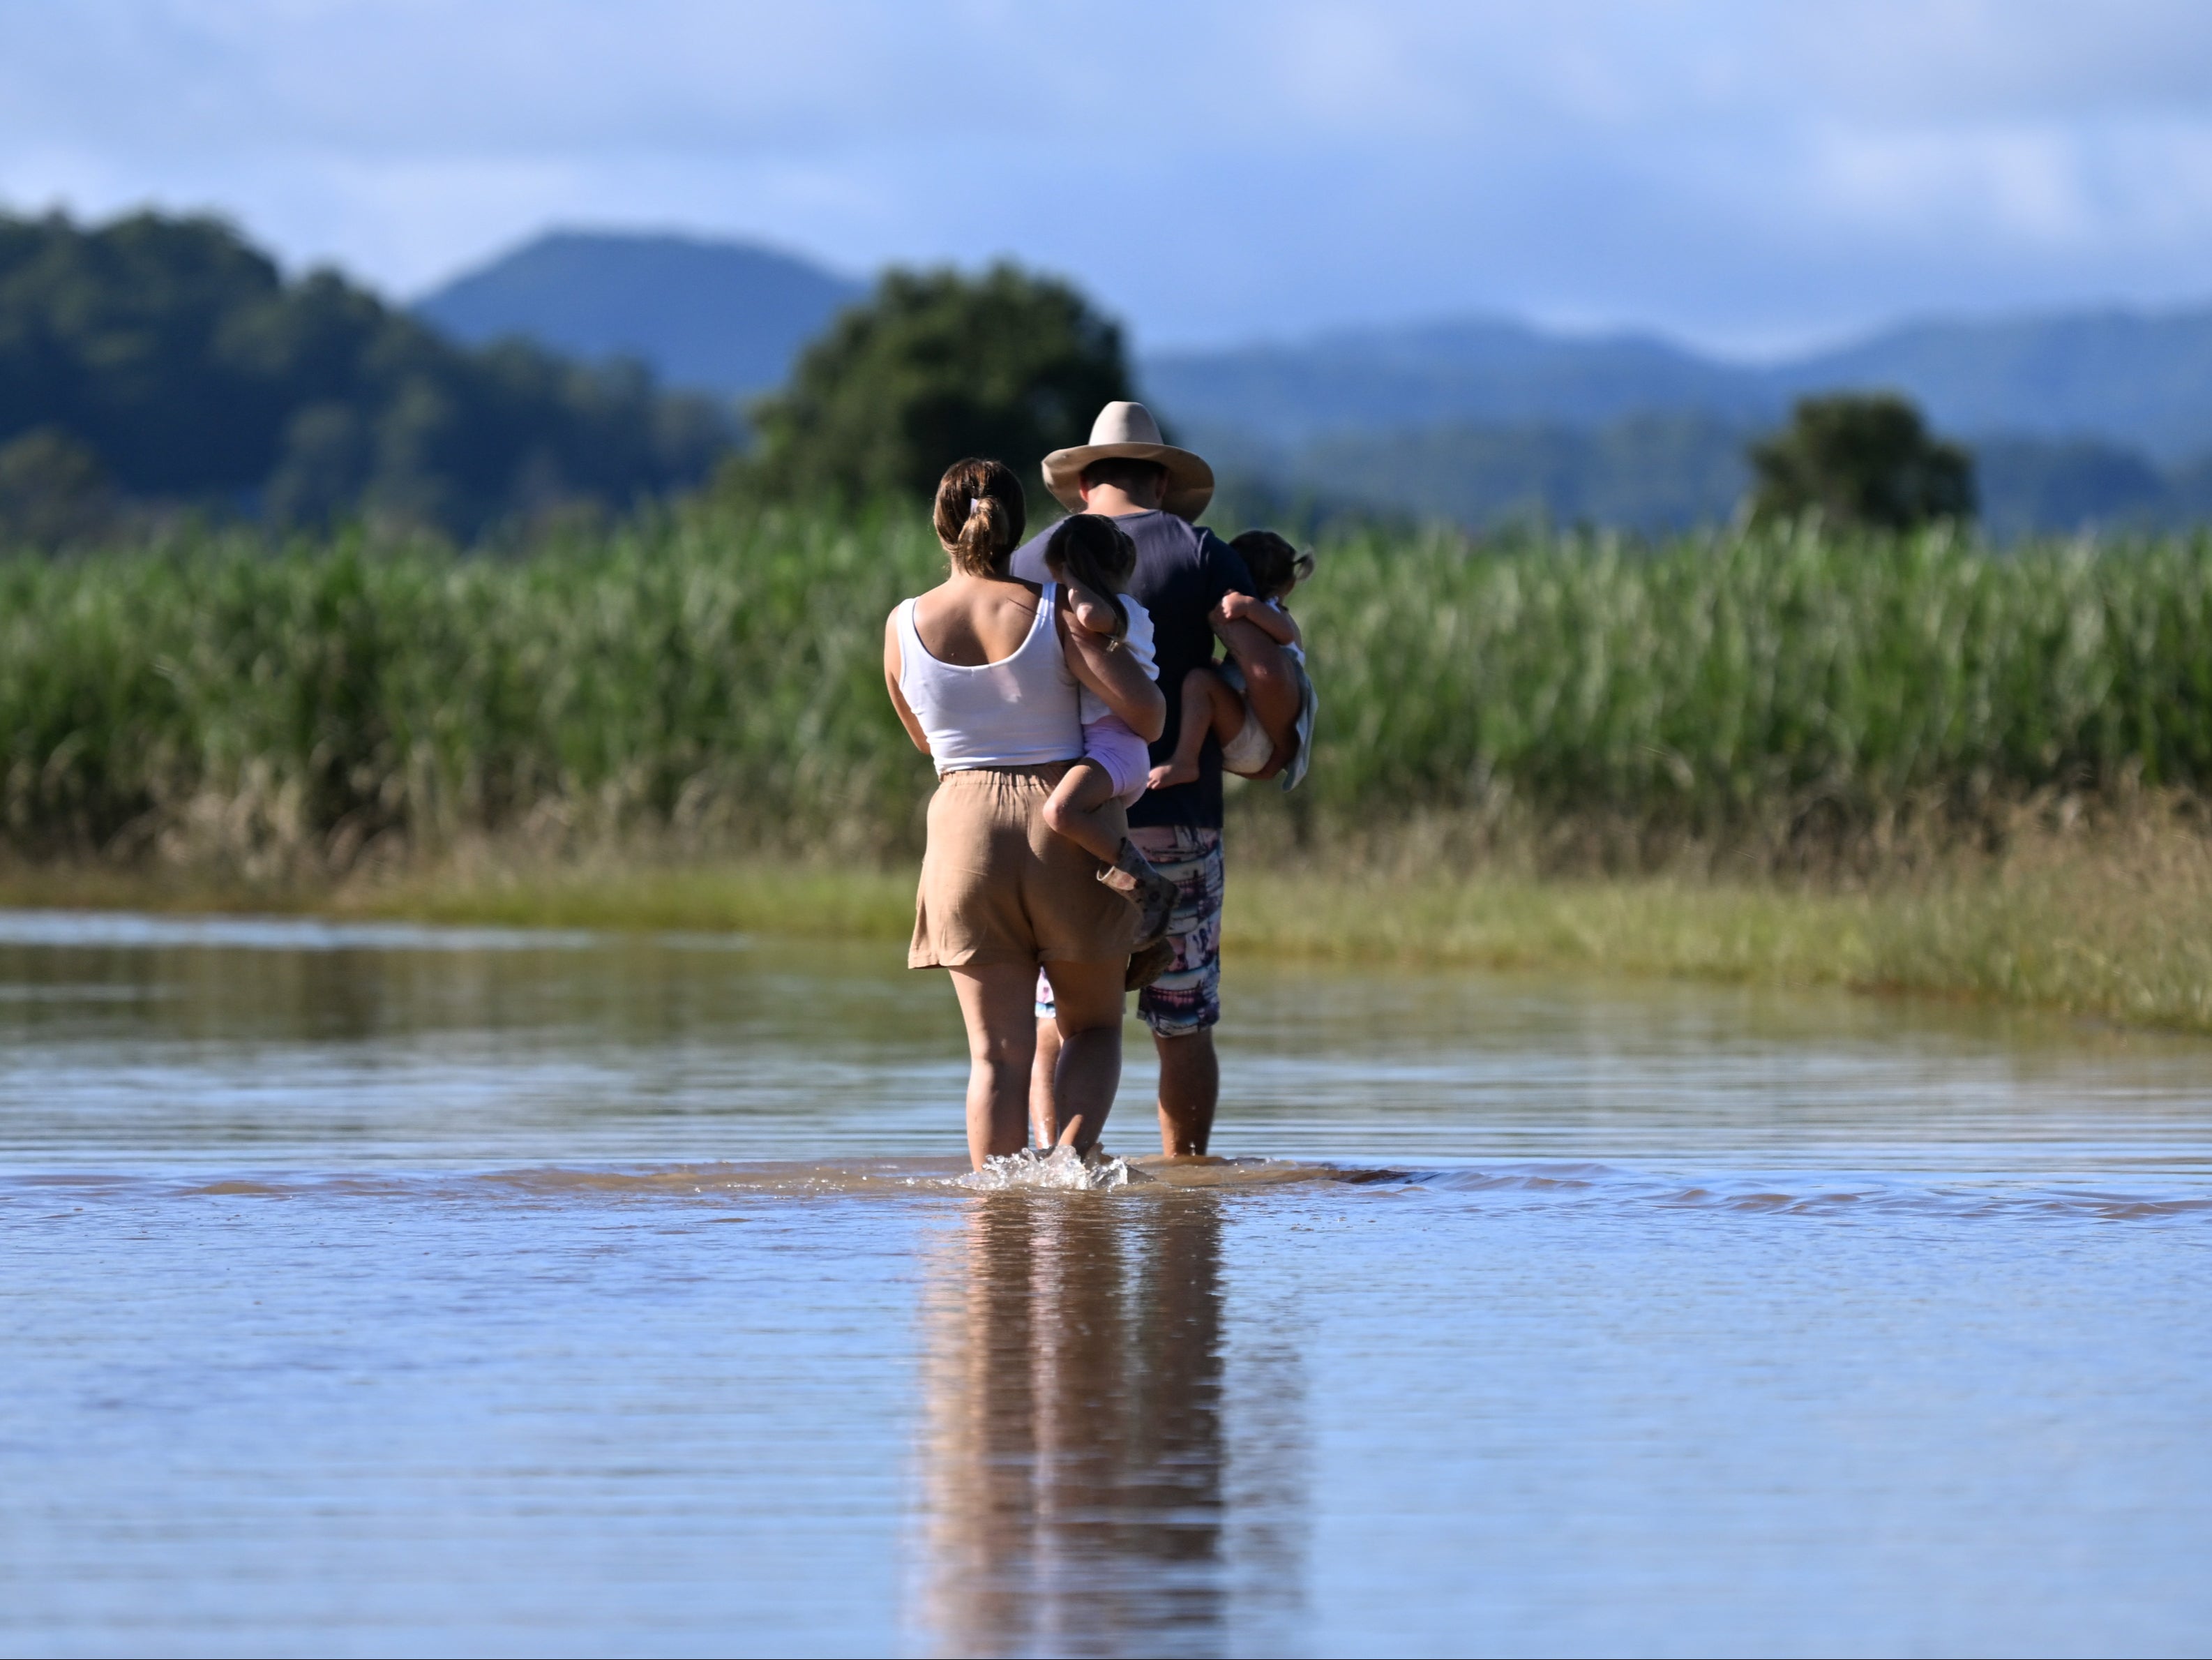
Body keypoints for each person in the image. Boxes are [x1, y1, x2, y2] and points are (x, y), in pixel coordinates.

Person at [1010, 403, 1300, 1158]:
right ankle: (1187, 1193)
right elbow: (1266, 667)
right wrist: (1273, 751)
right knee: (1182, 1020)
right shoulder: (1199, 552)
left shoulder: (1031, 561)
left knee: (1059, 1021)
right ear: (1162, 483)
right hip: (1179, 818)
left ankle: (1056, 1183)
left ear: (1081, 488)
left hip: (1065, 818)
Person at [885, 457, 1166, 1169]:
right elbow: (1148, 712)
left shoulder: (901, 625)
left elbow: (923, 738)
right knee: (1093, 1028)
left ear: (941, 526)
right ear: (1018, 529)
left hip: (962, 830)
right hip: (1058, 825)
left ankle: (999, 1226)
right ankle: (1068, 1168)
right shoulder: (1055, 609)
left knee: (995, 1056)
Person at [1034, 513, 1179, 959]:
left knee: (1060, 812)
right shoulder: (1125, 610)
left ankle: (1148, 884)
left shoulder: (1121, 611)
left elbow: (1092, 616)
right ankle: (1133, 929)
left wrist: (1071, 583)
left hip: (1117, 745)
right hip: (1109, 746)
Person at [1148, 530, 1316, 793]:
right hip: (1254, 735)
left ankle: (1185, 761)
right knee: (1206, 672)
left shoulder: (1270, 610)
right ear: (1290, 584)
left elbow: (1284, 634)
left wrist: (1248, 605)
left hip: (1256, 738)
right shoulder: (1266, 619)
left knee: (1199, 683)